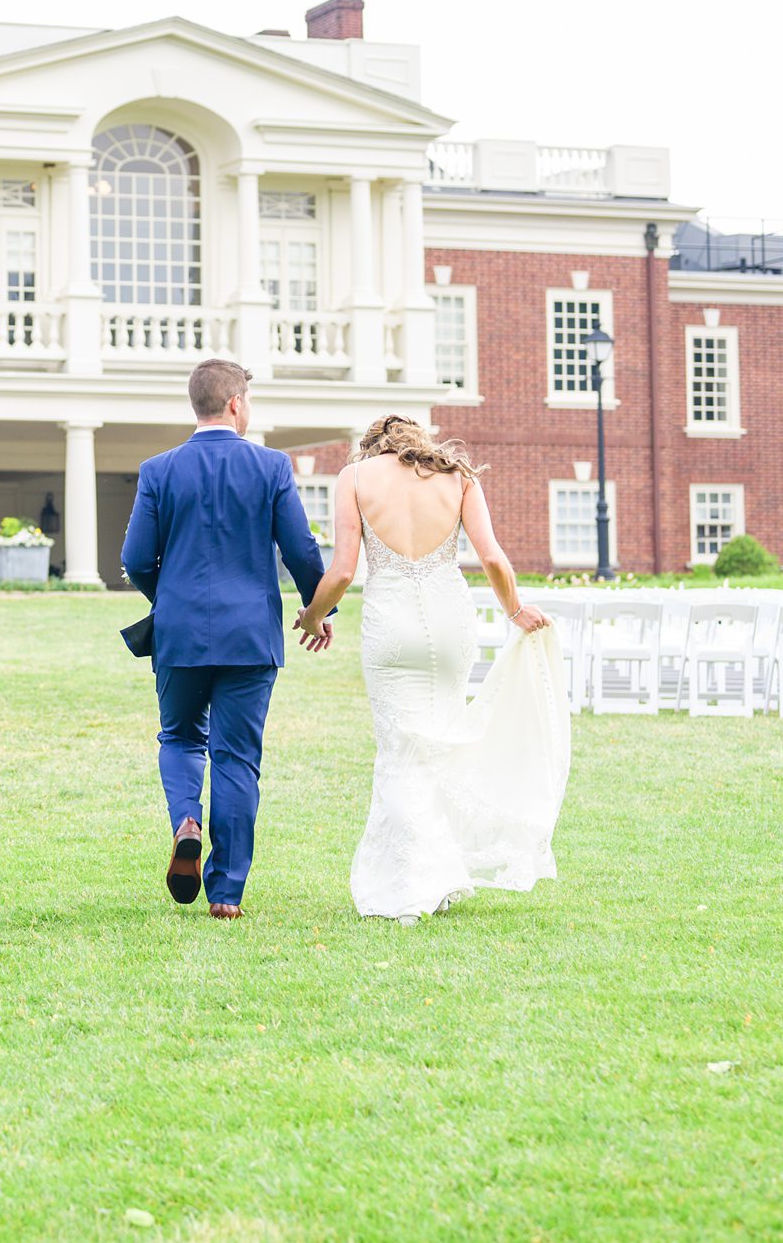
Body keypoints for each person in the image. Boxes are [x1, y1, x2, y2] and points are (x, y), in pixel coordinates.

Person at [293, 415, 570, 923]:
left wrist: (312, 615)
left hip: (391, 625)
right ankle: (438, 878)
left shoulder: (355, 478)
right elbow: (492, 557)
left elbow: (344, 570)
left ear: (372, 446)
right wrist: (515, 610)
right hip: (449, 623)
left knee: (400, 750)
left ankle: (410, 887)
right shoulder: (458, 477)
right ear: (419, 444)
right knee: (438, 745)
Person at [120, 360, 325, 919]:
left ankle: (187, 820)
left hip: (180, 634)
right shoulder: (272, 466)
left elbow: (135, 559)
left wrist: (173, 597)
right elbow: (301, 550)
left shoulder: (158, 470)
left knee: (181, 737)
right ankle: (227, 892)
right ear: (236, 403)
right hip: (251, 637)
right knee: (236, 757)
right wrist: (315, 608)